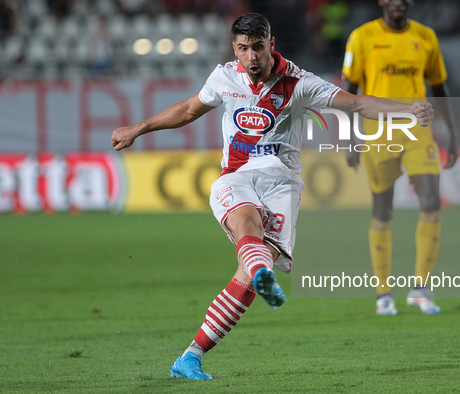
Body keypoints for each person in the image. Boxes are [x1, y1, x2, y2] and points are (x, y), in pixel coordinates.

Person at [111, 13, 434, 380]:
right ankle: (262, 269)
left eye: (258, 47)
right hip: (236, 176)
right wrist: (139, 128)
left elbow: (358, 104)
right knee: (248, 225)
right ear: (235, 48)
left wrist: (407, 110)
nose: (252, 57)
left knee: (246, 277)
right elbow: (188, 110)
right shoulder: (224, 77)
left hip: (282, 186)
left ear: (271, 45)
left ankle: (190, 355)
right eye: (244, 49)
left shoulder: (300, 83)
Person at [341, 0, 459, 316]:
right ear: (382, 1)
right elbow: (349, 90)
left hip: (419, 131)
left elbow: (439, 86)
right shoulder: (361, 37)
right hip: (378, 133)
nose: (398, 2)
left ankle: (421, 288)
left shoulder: (426, 37)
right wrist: (349, 137)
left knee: (431, 200)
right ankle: (383, 293)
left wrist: (452, 132)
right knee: (383, 209)